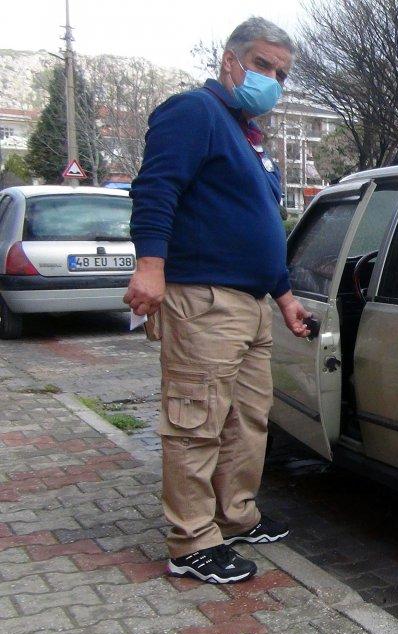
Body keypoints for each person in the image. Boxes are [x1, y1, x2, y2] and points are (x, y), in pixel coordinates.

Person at [124, 17, 311, 584]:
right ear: (229, 60)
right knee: (196, 419)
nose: (271, 80)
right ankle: (191, 541)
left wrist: (282, 298)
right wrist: (150, 266)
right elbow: (157, 188)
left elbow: (256, 229)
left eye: (280, 73)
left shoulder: (247, 137)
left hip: (251, 303)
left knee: (248, 418)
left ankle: (236, 515)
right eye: (262, 65)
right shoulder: (194, 112)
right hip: (202, 299)